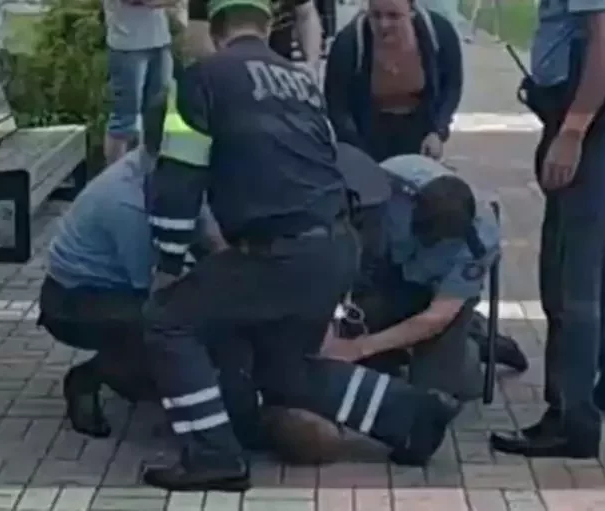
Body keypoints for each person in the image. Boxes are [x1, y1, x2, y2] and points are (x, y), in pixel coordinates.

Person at [141, 0, 460, 491]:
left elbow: (178, 180)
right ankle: (414, 416)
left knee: (168, 319)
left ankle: (213, 456)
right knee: (284, 368)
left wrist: (168, 261)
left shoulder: (200, 79)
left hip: (278, 250)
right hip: (336, 246)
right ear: (267, 25)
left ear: (216, 31)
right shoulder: (301, 81)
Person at [488, 0, 605, 459]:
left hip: (588, 110)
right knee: (601, 244)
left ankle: (570, 419)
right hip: (591, 103)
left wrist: (573, 131)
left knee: (570, 264)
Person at [38, 107, 221, 440]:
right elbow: (154, 287)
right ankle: (89, 378)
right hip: (74, 300)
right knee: (167, 324)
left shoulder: (166, 171)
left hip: (115, 284)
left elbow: (204, 234)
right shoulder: (128, 202)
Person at [321, 154, 521, 401]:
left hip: (440, 295)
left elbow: (437, 316)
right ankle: (396, 342)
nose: (430, 242)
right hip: (386, 274)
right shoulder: (390, 182)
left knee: (438, 387)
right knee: (364, 352)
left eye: (439, 240)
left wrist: (360, 347)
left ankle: (475, 340)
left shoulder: (480, 241)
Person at [323, 0, 463, 162]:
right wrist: (357, 151)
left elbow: (452, 86)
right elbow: (337, 105)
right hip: (368, 134)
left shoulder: (439, 33)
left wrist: (437, 131)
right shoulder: (349, 43)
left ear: (411, 11)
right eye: (376, 15)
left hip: (420, 129)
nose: (384, 25)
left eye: (394, 16)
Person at [102, 0, 176, 164]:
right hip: (128, 46)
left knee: (156, 118)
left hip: (160, 42)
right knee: (124, 119)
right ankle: (116, 175)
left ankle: (149, 171)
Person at [186, 0, 323, 68]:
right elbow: (198, 30)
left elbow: (306, 14)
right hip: (228, 54)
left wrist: (311, 65)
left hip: (278, 55)